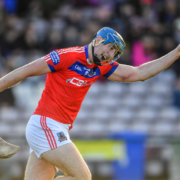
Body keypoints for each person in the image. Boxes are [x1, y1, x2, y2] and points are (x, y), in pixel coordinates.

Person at [0, 27, 179, 180]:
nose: (110, 55)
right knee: (82, 177)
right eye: (110, 49)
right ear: (98, 40)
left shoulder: (101, 66)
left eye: (114, 53)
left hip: (57, 128)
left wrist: (177, 52)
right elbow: (24, 72)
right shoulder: (67, 56)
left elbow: (139, 73)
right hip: (46, 124)